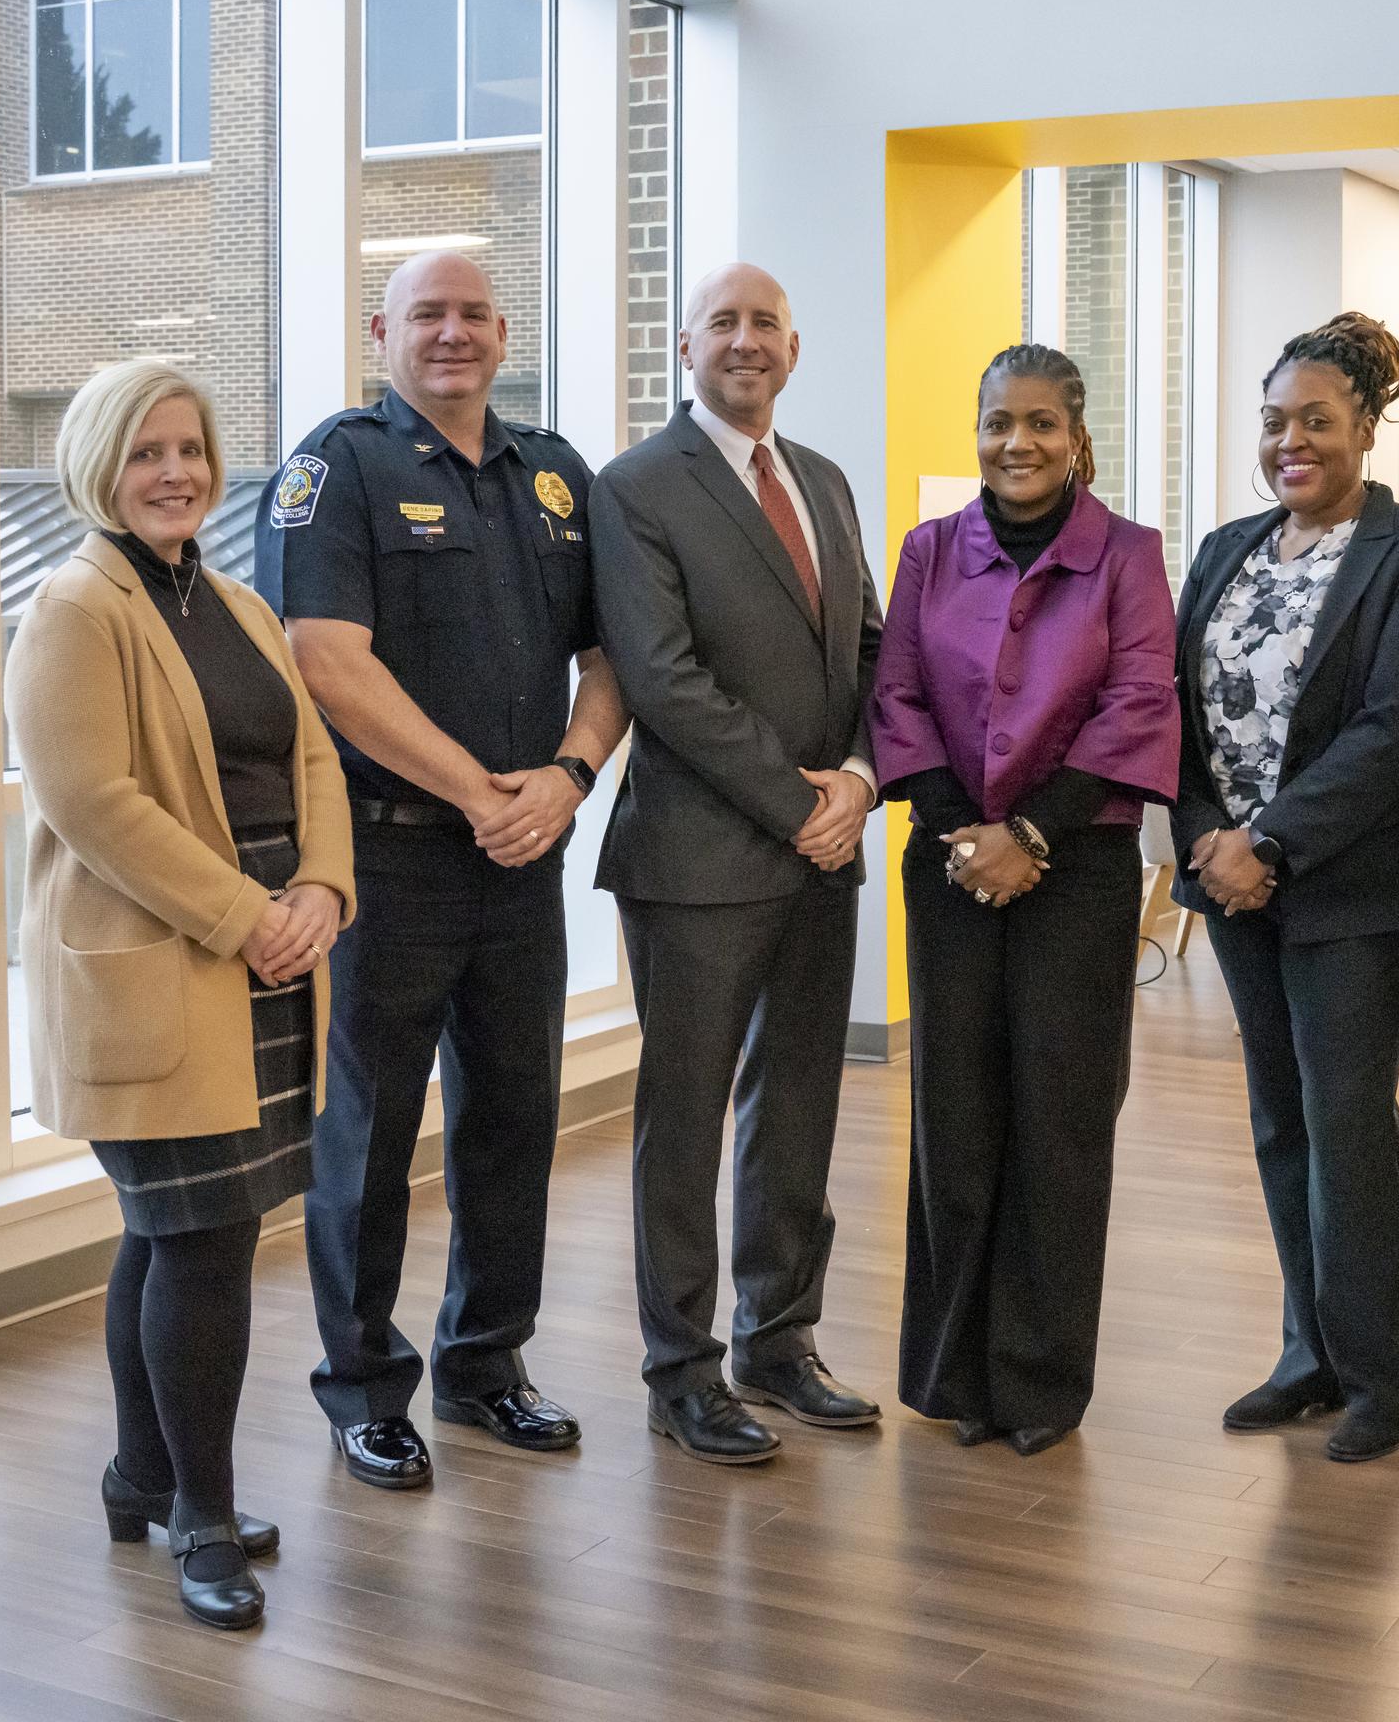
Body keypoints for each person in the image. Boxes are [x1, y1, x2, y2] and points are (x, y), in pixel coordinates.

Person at [252, 250, 627, 1491]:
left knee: (514, 1116)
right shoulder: (337, 466)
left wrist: (567, 778)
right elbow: (326, 659)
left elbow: (611, 655)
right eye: (428, 314)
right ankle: (363, 1385)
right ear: (383, 331)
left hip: (524, 856)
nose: (453, 333)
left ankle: (484, 1363)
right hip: (393, 862)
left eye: (472, 313)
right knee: (368, 1134)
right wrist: (481, 794)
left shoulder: (557, 473)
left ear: (504, 331)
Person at [8, 361, 355, 1630]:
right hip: (168, 958)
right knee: (201, 1238)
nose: (175, 473)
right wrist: (251, 913)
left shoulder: (233, 603)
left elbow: (312, 751)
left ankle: (142, 1475)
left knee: (173, 1230)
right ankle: (200, 1513)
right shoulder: (71, 606)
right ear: (100, 462)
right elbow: (98, 807)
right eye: (147, 451)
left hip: (264, 950)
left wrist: (322, 884)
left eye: (191, 449)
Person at [1172, 312, 1399, 1465]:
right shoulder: (1225, 550)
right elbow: (1179, 709)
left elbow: (1397, 729)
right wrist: (1207, 833)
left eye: (1316, 419)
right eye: (1273, 421)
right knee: (1280, 1120)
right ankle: (1307, 1350)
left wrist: (1273, 843)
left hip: (1356, 883)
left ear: (1364, 427)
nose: (1291, 440)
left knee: (1348, 1124)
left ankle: (1383, 1372)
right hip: (1235, 882)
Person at [591, 262, 885, 1465]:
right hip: (699, 858)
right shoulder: (635, 487)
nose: (747, 340)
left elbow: (871, 646)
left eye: (767, 322)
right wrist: (798, 802)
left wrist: (861, 782)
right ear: (685, 347)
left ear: (795, 347)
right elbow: (662, 678)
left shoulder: (821, 480)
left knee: (799, 1106)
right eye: (725, 322)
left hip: (822, 852)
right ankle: (682, 1366)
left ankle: (780, 1335)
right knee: (687, 1118)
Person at [867, 343, 1180, 1457]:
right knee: (955, 1117)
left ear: (1077, 434)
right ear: (979, 428)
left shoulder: (1129, 556)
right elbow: (895, 691)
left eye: (1042, 422)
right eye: (1000, 421)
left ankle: (1042, 1381)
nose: (1018, 443)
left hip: (1077, 867)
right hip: (951, 862)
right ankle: (958, 1373)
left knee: (1058, 1117)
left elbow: (1141, 701)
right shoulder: (930, 550)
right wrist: (970, 831)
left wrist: (1032, 833)